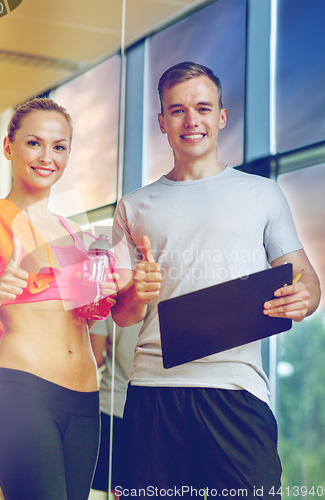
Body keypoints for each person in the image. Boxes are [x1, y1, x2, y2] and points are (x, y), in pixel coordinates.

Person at [111, 62, 321, 499]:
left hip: (237, 389)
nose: (192, 121)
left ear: (221, 116)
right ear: (162, 122)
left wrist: (305, 296)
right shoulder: (133, 207)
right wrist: (136, 291)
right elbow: (124, 315)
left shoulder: (261, 193)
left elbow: (307, 279)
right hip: (155, 393)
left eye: (203, 108)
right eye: (177, 111)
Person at [0, 98, 118, 500]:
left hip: (84, 404)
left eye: (59, 146)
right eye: (34, 143)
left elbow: (88, 322)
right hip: (24, 398)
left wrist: (118, 288)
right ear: (9, 148)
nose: (47, 157)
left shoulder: (75, 232)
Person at [90, 316, 141, 498]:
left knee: (119, 491)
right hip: (161, 403)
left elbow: (94, 356)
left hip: (115, 404)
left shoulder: (107, 289)